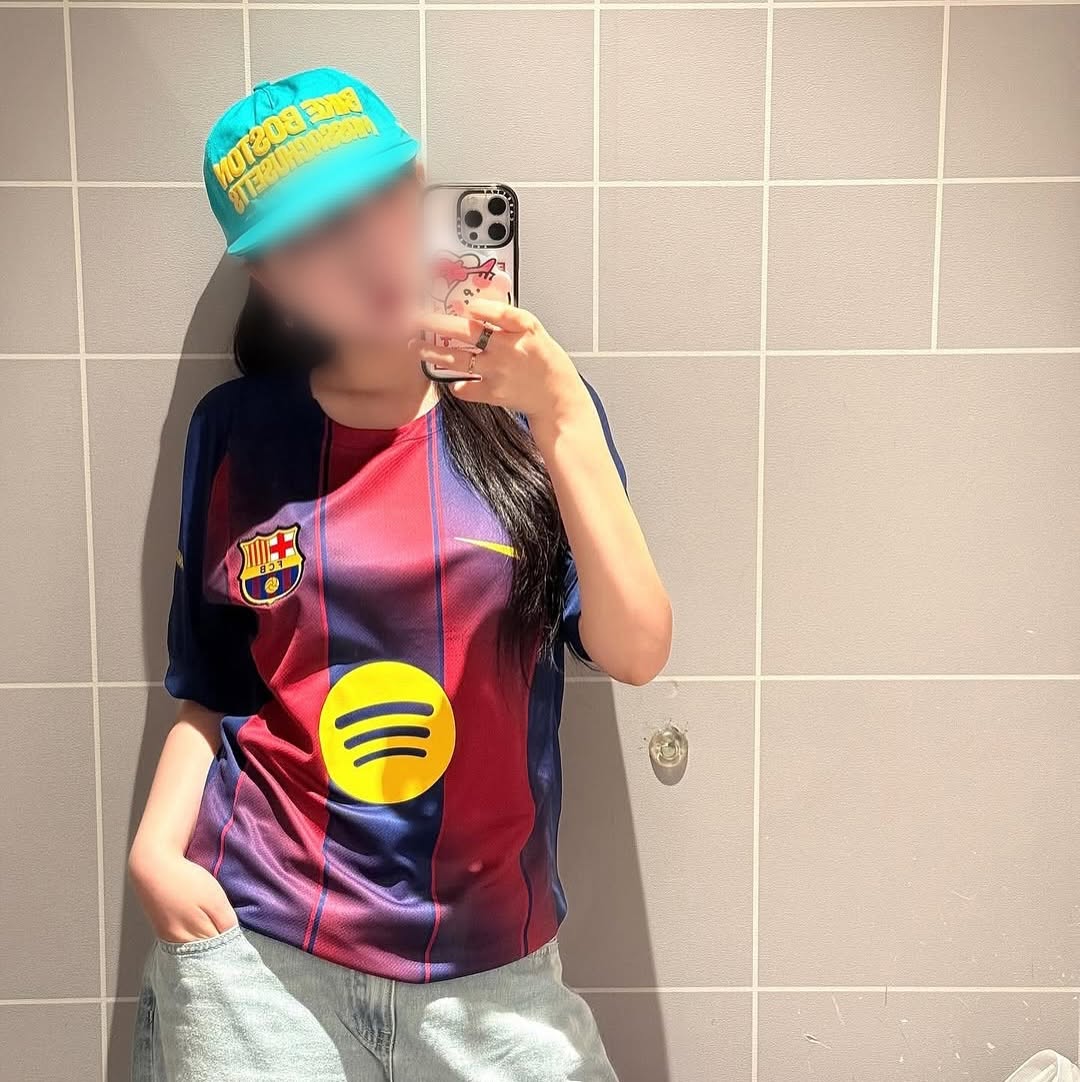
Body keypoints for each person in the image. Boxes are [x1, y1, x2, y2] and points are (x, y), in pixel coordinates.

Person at [128, 67, 671, 1082]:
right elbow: (214, 685)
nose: (359, 249)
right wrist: (157, 853)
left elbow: (636, 649)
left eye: (376, 198)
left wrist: (560, 411)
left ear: (418, 187)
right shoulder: (237, 431)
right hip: (259, 956)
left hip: (493, 969)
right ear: (269, 278)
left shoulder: (536, 417)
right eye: (310, 236)